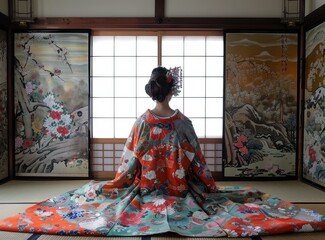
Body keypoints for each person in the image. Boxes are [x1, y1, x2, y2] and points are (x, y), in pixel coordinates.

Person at [0, 66, 324, 237]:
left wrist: (120, 184)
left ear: (155, 89)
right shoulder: (184, 123)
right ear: (172, 89)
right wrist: (208, 189)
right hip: (182, 192)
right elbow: (198, 163)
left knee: (94, 206)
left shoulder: (141, 122)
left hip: (145, 191)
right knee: (231, 210)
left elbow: (128, 165)